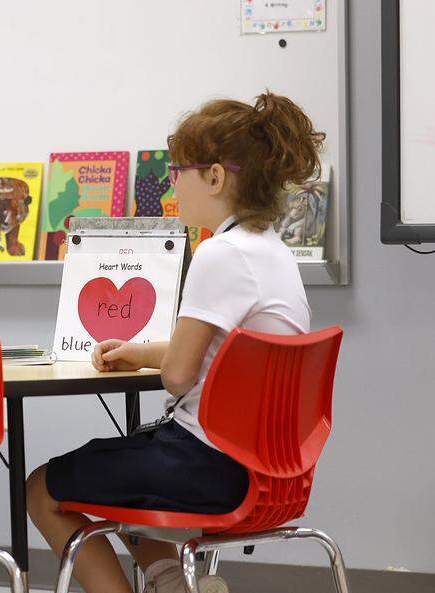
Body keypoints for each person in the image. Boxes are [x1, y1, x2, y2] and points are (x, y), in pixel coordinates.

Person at [26, 92, 323, 593]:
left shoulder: (219, 254)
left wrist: (161, 361)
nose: (171, 183)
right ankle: (172, 586)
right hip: (273, 472)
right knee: (127, 463)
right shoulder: (271, 250)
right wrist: (137, 351)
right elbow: (220, 356)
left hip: (207, 467)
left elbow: (179, 376)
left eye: (178, 169)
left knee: (41, 488)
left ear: (214, 177)